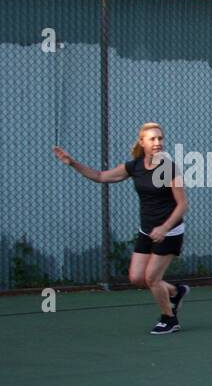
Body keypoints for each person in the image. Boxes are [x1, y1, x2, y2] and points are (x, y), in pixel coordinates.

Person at [52, 123, 190, 335]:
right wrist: (72, 163)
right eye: (152, 139)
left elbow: (182, 205)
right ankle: (175, 291)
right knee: (136, 278)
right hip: (146, 230)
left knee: (152, 278)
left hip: (169, 231)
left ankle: (169, 319)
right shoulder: (134, 166)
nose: (158, 143)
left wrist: (164, 228)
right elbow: (100, 176)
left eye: (160, 138)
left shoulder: (169, 168)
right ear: (142, 142)